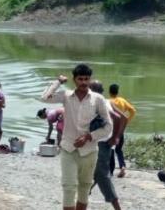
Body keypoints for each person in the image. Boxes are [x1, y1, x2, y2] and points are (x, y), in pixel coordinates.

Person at [40, 64, 112, 210]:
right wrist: (58, 82)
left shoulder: (98, 100)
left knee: (84, 188)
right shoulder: (67, 96)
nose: (84, 82)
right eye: (80, 79)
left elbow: (108, 127)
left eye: (86, 79)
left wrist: (89, 136)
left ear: (90, 80)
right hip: (68, 149)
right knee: (69, 188)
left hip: (89, 151)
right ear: (74, 80)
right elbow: (44, 98)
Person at [89, 81, 127, 210]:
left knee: (102, 176)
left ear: (93, 90)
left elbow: (117, 118)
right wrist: (116, 136)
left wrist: (115, 137)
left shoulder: (98, 102)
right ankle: (81, 197)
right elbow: (124, 118)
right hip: (100, 144)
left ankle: (117, 207)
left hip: (101, 145)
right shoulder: (107, 101)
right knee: (91, 173)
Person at [109, 84, 136, 178]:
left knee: (111, 149)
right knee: (119, 149)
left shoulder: (109, 101)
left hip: (111, 129)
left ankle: (110, 170)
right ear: (118, 91)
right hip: (121, 128)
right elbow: (132, 110)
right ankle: (122, 166)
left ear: (109, 92)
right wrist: (127, 120)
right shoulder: (122, 101)